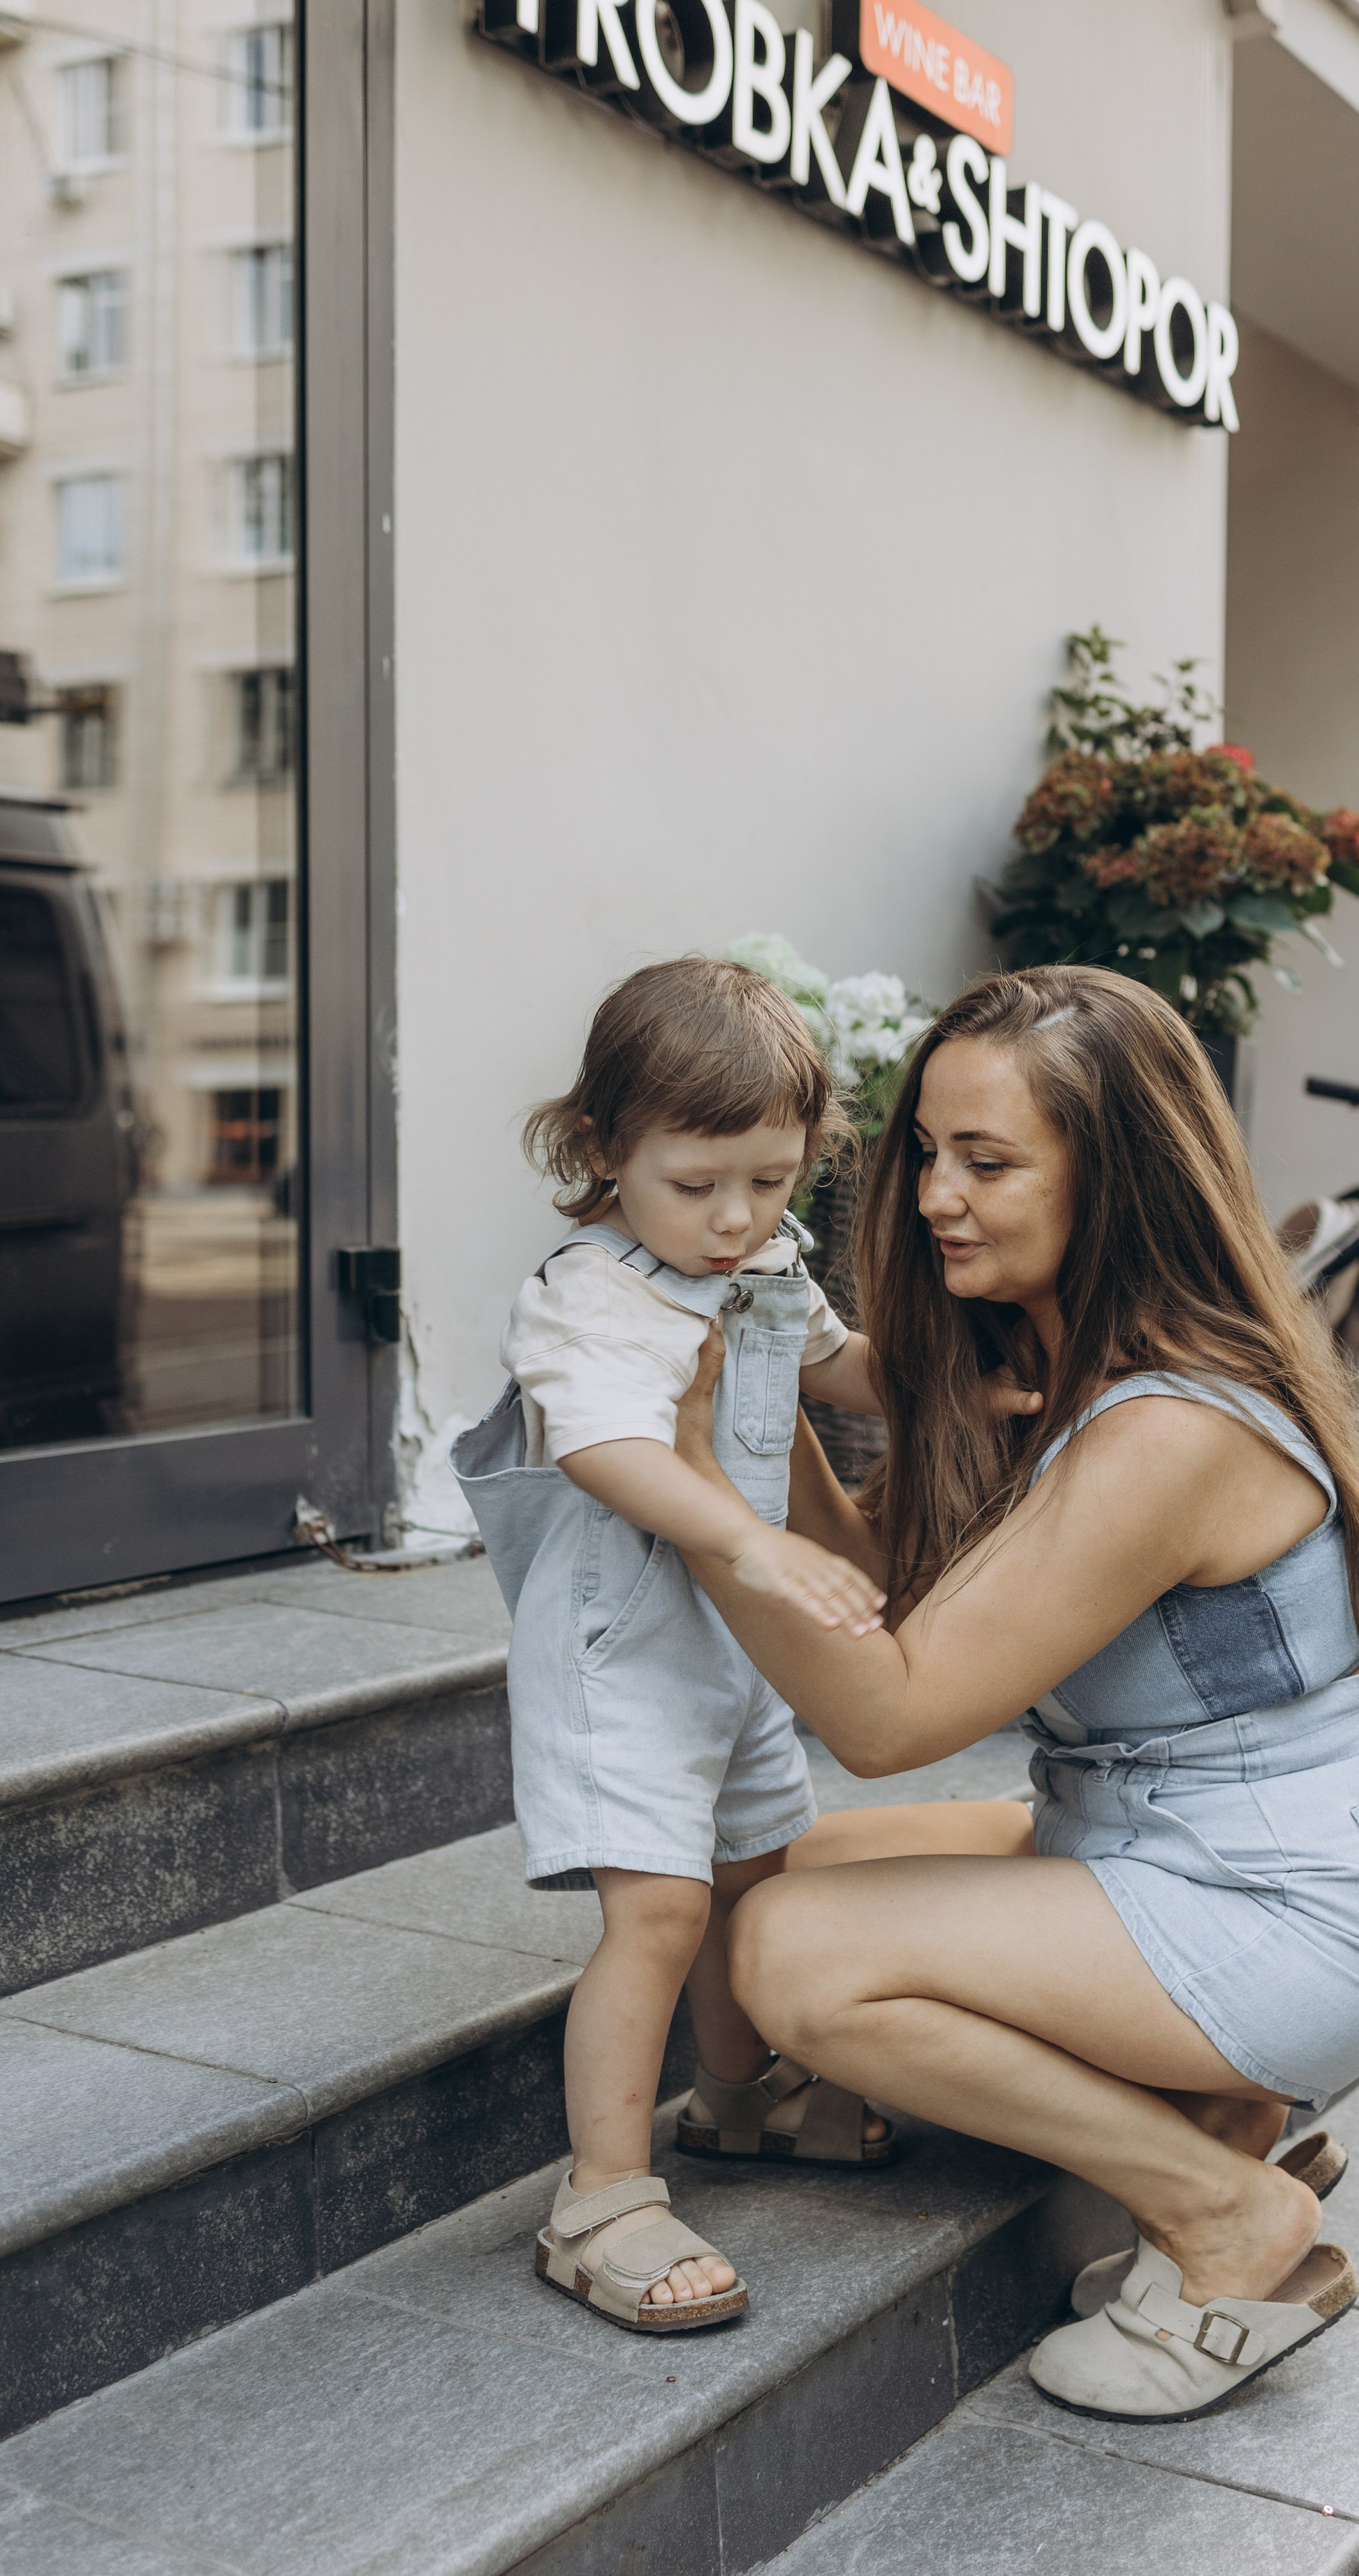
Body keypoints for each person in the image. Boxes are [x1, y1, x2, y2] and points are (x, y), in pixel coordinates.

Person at [673, 963, 1359, 2422]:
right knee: (773, 1867)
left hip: (1280, 1913)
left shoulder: (1162, 1429)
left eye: (986, 1161)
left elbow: (885, 1714)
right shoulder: (1053, 1368)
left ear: (1118, 1180)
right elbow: (897, 1618)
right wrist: (759, 1438)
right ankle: (1203, 2108)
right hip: (1149, 1845)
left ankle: (1221, 2209)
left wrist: (694, 1497)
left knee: (793, 1954)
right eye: (922, 1154)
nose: (930, 1199)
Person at [451, 958, 896, 2339]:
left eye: (769, 1179)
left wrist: (977, 1365)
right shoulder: (586, 1291)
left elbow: (834, 1367)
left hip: (730, 1649)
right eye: (696, 1181)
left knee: (751, 1876)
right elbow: (601, 1445)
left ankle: (739, 2098)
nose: (734, 1217)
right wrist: (754, 1543)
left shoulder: (765, 1260)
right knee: (655, 1911)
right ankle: (599, 2193)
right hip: (618, 1653)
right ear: (602, 1151)